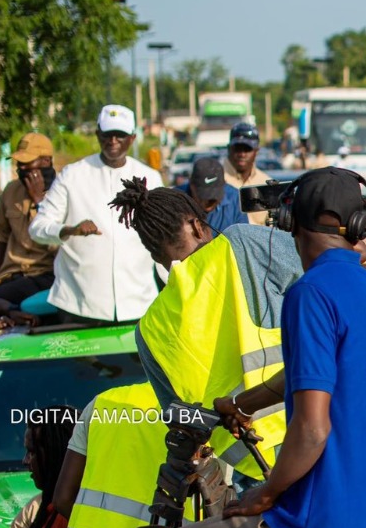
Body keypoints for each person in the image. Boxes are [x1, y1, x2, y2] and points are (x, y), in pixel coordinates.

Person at [177, 168, 366, 528]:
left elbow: (312, 430)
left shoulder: (310, 293)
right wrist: (244, 404)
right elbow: (316, 373)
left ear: (292, 223)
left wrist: (268, 493)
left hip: (333, 527)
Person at [109, 181, 300, 493]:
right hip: (311, 432)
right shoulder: (239, 244)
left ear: (156, 254)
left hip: (253, 474)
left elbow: (181, 419)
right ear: (197, 226)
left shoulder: (149, 329)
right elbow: (327, 267)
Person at [28, 104, 163, 322]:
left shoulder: (150, 178)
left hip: (139, 303)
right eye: (107, 134)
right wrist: (69, 230)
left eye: (120, 135)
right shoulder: (72, 175)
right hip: (79, 303)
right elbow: (37, 228)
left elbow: (164, 233)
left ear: (132, 138)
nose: (113, 141)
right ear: (97, 134)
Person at [0, 407, 77, 528]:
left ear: (56, 453)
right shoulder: (38, 506)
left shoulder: (49, 508)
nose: (25, 461)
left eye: (32, 452)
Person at [0, 132, 58, 314]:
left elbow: (58, 245)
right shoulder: (11, 191)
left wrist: (38, 201)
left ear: (45, 162)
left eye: (27, 163)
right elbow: (2, 236)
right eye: (19, 163)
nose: (21, 168)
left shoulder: (61, 193)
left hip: (44, 274)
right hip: (11, 275)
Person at [222, 122, 274, 227]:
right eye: (237, 148)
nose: (242, 154)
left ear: (257, 151)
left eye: (247, 149)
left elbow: (272, 227)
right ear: (229, 148)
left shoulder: (265, 183)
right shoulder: (216, 180)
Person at [181, 155, 247, 234]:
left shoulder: (235, 198)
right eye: (204, 195)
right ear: (191, 185)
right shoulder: (175, 200)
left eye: (215, 194)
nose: (209, 200)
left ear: (224, 185)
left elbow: (243, 236)